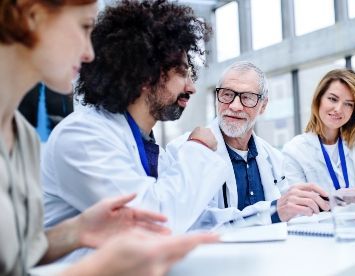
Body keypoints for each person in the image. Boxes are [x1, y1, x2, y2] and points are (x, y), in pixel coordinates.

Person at [0, 0, 217, 275]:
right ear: (33, 16)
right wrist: (95, 269)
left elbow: (15, 257)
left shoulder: (22, 138)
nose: (90, 54)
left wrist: (77, 231)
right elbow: (162, 219)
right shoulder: (79, 134)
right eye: (84, 27)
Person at [41, 0, 225, 240]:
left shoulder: (145, 144)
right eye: (181, 73)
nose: (192, 88)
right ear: (146, 75)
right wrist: (198, 149)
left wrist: (271, 213)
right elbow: (155, 222)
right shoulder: (82, 136)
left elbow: (195, 218)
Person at [168, 61, 331, 230]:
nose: (235, 106)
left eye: (247, 97)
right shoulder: (184, 150)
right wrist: (272, 212)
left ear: (263, 106)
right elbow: (191, 223)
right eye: (227, 94)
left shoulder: (274, 157)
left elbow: (287, 213)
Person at [282, 69, 355, 193]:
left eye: (348, 104)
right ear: (319, 99)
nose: (338, 109)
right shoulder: (294, 150)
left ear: (354, 110)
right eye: (333, 99)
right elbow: (298, 205)